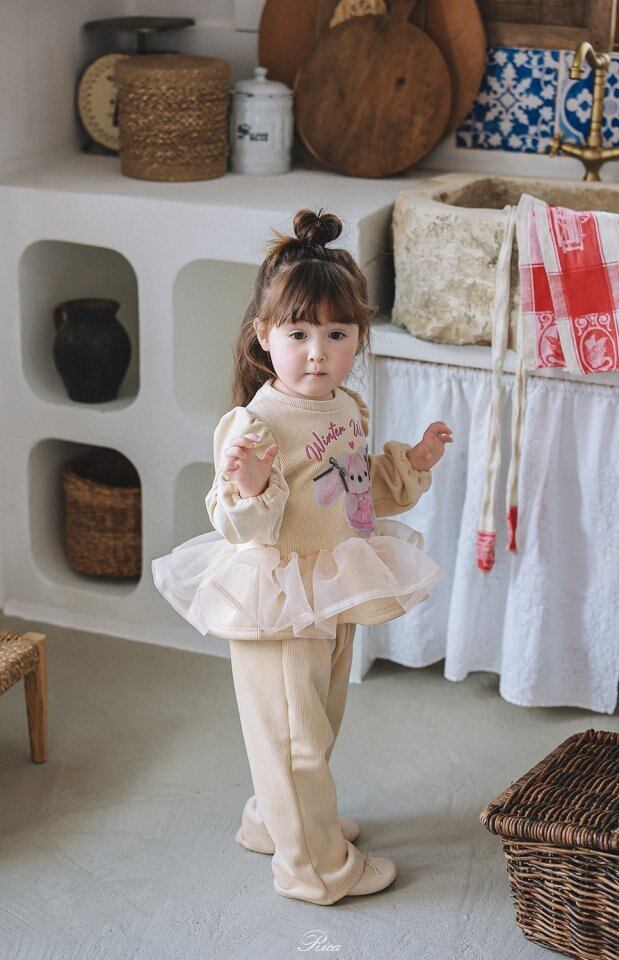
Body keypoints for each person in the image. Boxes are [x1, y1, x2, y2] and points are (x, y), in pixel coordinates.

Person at [151, 207, 453, 906]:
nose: (318, 352)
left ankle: (276, 821)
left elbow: (355, 495)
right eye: (298, 334)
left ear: (359, 338)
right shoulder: (255, 425)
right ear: (264, 336)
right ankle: (315, 868)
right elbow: (235, 522)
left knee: (317, 720)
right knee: (295, 741)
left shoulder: (345, 406)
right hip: (279, 598)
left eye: (336, 334)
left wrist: (411, 464)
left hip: (334, 583)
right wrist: (254, 486)